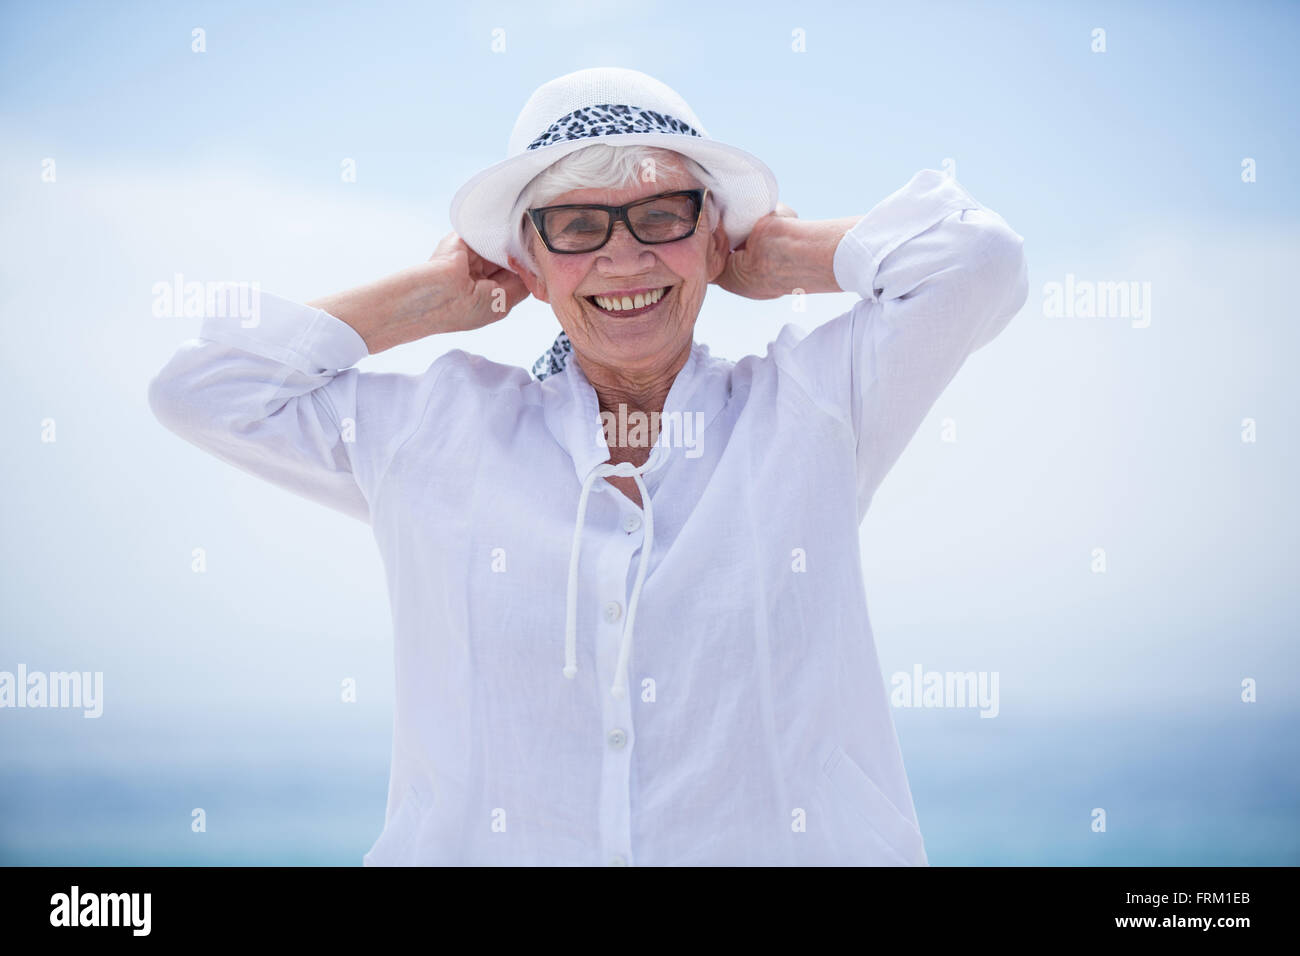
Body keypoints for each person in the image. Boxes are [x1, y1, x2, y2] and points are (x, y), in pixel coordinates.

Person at [148, 66, 1028, 866]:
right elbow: (200, 389)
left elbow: (980, 261)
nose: (624, 255)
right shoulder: (438, 431)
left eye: (663, 215)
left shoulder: (811, 407)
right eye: (576, 226)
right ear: (528, 262)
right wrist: (426, 301)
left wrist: (795, 259)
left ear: (715, 237)